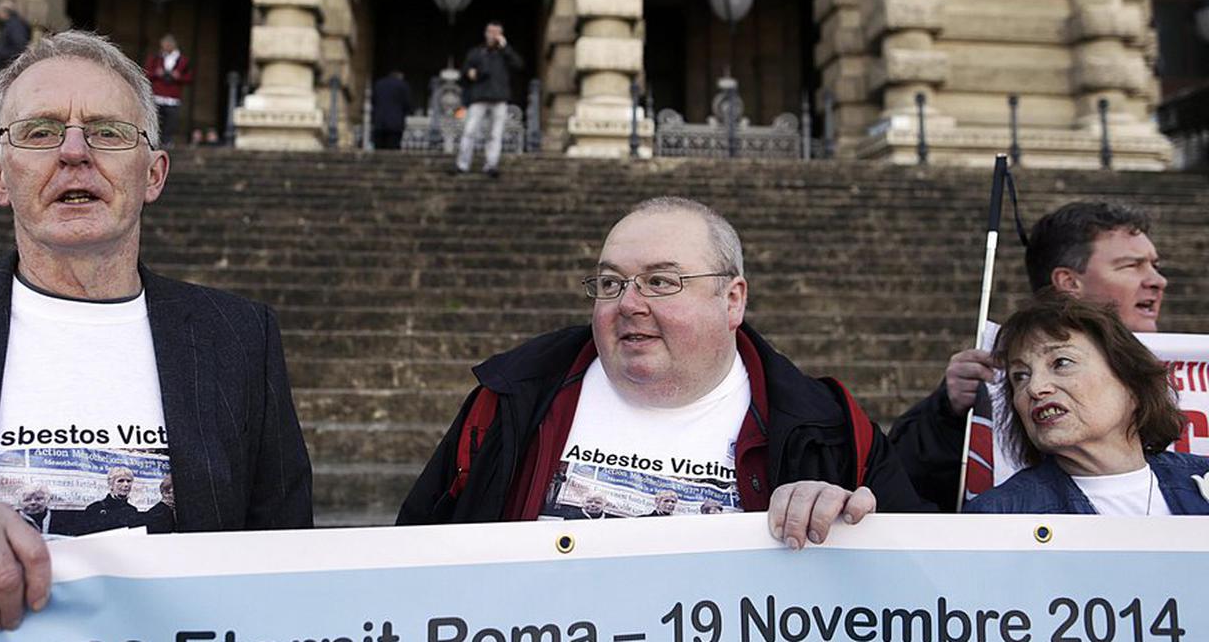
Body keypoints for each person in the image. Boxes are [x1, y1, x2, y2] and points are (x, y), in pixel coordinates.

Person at [0, 30, 313, 632]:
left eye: (108, 131)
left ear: (154, 173)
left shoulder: (239, 339)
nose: (74, 152)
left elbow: (285, 562)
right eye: (41, 132)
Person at [399, 197, 931, 546]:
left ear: (732, 299)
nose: (628, 303)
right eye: (611, 283)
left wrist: (855, 526)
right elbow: (410, 560)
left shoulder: (832, 432)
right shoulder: (507, 402)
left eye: (660, 282)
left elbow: (922, 587)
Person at [890, 201, 1168, 510]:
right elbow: (899, 489)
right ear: (1069, 283)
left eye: (1156, 265)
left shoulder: (1195, 481)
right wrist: (946, 415)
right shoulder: (999, 509)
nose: (1157, 280)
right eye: (1131, 265)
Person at [964, 291, 1208, 515]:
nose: (1035, 388)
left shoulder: (1199, 480)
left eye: (1061, 363)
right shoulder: (1000, 515)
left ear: (1132, 382)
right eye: (1020, 376)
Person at [455, 21, 522, 178]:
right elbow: (465, 70)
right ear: (485, 33)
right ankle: (462, 164)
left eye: (496, 32)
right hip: (479, 96)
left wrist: (505, 47)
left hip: (499, 98)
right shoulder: (476, 52)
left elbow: (518, 64)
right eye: (490, 32)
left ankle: (491, 165)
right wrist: (469, 73)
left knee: (495, 134)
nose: (493, 35)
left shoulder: (505, 53)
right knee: (469, 131)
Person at [143, 34, 191, 147]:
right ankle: (154, 141)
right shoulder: (155, 58)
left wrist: (178, 76)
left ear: (173, 45)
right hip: (157, 95)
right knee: (155, 120)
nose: (165, 47)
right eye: (163, 45)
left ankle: (167, 141)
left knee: (171, 122)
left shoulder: (183, 61)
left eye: (167, 45)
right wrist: (156, 73)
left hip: (173, 97)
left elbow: (190, 77)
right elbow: (146, 73)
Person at [82, 467, 140, 532]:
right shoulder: (95, 509)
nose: (126, 484)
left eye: (129, 481)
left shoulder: (132, 511)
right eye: (120, 481)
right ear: (111, 484)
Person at [370, 69, 411, 150]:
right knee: (393, 147)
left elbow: (373, 101)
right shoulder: (402, 85)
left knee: (379, 148)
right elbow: (407, 103)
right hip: (395, 122)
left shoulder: (379, 84)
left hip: (379, 121)